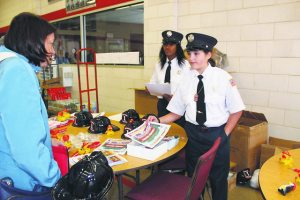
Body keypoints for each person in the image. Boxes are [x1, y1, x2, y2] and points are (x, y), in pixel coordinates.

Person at [148, 33, 245, 200]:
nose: (191, 58)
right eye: (189, 53)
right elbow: (176, 112)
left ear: (209, 54)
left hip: (217, 135)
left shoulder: (222, 78)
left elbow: (237, 110)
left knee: (218, 180)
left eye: (196, 54)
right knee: (194, 179)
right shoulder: (186, 79)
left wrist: (224, 134)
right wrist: (157, 120)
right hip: (193, 136)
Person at [0, 12, 61, 193]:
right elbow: (27, 151)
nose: (53, 51)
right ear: (34, 41)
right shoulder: (18, 71)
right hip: (22, 182)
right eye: (50, 43)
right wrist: (54, 178)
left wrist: (47, 141)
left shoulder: (5, 65)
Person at [148, 30, 190, 128]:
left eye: (171, 44)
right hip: (163, 104)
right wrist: (151, 88)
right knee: (163, 131)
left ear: (178, 46)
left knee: (179, 132)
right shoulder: (159, 65)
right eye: (165, 44)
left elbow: (189, 88)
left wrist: (175, 97)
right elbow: (152, 83)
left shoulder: (186, 65)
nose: (167, 47)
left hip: (180, 105)